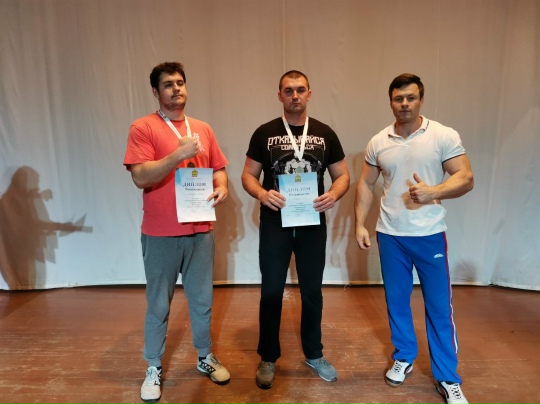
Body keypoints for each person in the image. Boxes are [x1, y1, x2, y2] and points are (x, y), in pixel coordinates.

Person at [354, 73, 474, 404]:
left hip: (429, 235)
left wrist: (434, 191)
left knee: (438, 307)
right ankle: (404, 356)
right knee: (397, 301)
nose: (404, 103)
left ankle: (448, 377)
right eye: (398, 98)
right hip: (390, 235)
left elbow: (466, 177)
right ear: (390, 102)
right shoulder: (379, 141)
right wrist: (360, 224)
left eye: (410, 97)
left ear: (421, 100)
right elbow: (365, 183)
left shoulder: (442, 135)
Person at [123, 62, 230, 403]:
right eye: (168, 84)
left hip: (200, 230)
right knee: (158, 304)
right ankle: (153, 367)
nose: (176, 89)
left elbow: (218, 169)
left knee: (202, 301)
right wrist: (178, 154)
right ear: (156, 91)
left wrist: (222, 187)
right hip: (160, 233)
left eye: (180, 82)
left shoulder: (203, 128)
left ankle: (204, 356)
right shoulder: (143, 127)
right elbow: (140, 176)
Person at [241, 70, 350, 389]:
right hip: (275, 222)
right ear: (280, 95)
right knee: (271, 291)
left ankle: (314, 353)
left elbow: (342, 176)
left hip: (312, 223)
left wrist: (334, 194)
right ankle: (268, 357)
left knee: (312, 291)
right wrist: (262, 194)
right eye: (288, 91)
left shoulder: (325, 133)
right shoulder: (264, 132)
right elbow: (248, 175)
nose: (295, 95)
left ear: (309, 94)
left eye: (300, 90)